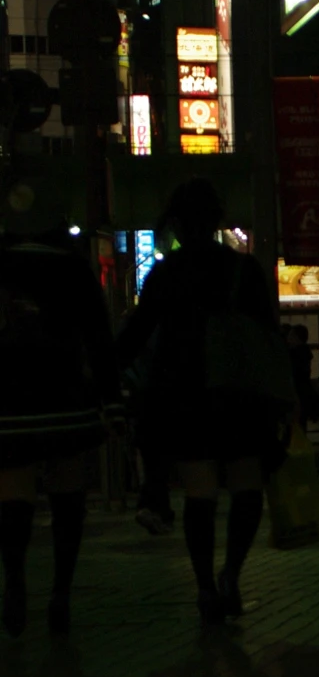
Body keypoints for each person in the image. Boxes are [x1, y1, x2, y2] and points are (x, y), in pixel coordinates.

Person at [115, 180, 282, 631]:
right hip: (240, 394)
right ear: (215, 221)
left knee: (200, 492)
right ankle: (233, 573)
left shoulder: (164, 274)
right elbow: (269, 335)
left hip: (186, 396)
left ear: (175, 224)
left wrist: (105, 371)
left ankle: (205, 584)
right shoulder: (244, 271)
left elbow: (135, 336)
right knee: (247, 485)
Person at [0, 229, 118, 638]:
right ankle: (61, 592)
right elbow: (99, 338)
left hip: (9, 399)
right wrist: (112, 397)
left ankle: (13, 576)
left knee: (13, 488)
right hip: (66, 396)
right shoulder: (72, 268)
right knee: (68, 489)